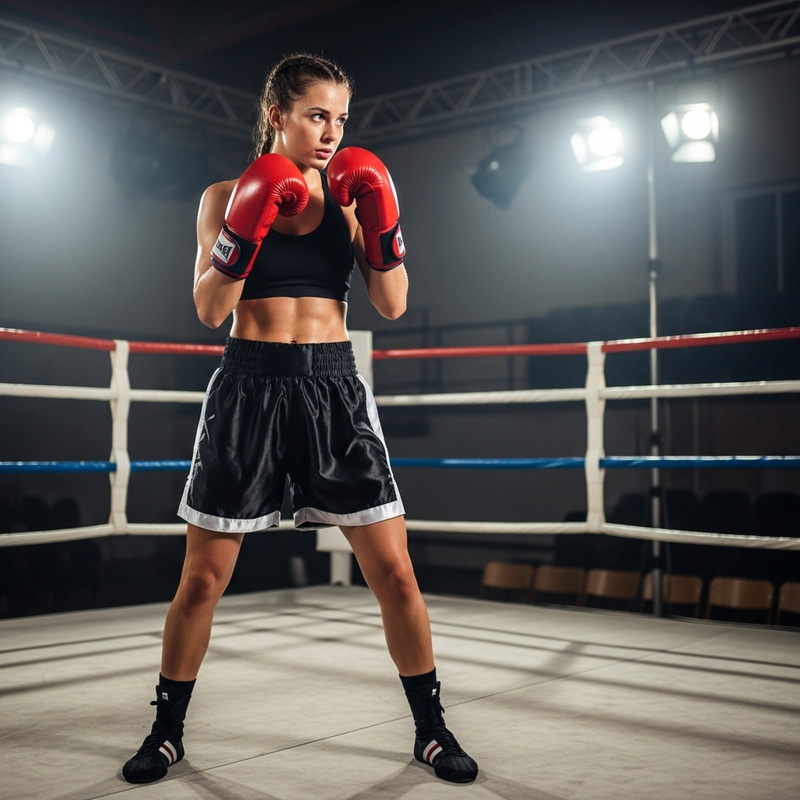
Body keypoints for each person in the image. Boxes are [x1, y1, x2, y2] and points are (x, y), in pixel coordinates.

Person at [122, 52, 478, 786]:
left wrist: (382, 218)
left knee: (397, 577)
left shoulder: (352, 196)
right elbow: (210, 310)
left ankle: (432, 730)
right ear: (277, 114)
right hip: (249, 387)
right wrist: (245, 227)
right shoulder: (224, 195)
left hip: (332, 388)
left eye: (341, 118)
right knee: (201, 581)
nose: (331, 132)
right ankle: (166, 732)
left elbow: (393, 304)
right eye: (317, 115)